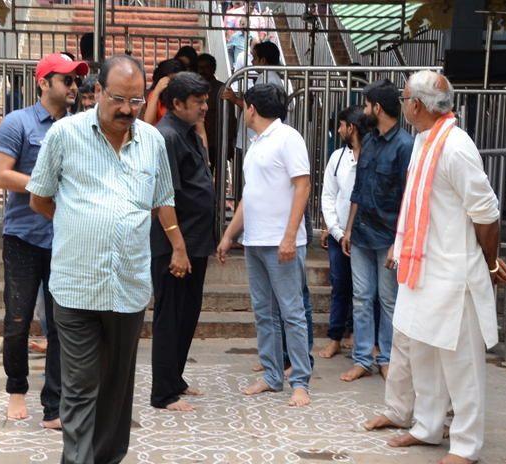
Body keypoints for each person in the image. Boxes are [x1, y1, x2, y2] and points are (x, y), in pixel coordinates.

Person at [27, 54, 188, 464]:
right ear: (97, 91)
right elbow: (40, 197)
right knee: (80, 388)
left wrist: (177, 244)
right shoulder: (64, 135)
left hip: (129, 286)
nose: (127, 110)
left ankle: (107, 458)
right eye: (118, 99)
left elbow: (163, 198)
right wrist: (79, 225)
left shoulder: (152, 140)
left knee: (117, 392)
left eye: (136, 101)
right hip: (77, 285)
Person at [366, 70, 506, 464]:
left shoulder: (456, 147)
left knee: (461, 362)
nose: (402, 102)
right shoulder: (422, 141)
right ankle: (427, 428)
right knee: (423, 354)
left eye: (405, 96)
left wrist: (488, 262)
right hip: (421, 270)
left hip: (453, 273)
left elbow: (486, 213)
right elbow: (417, 202)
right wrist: (400, 245)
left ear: (416, 105)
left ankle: (466, 445)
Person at [0, 52, 89, 429]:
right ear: (44, 82)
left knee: (62, 325)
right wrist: (43, 187)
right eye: (66, 80)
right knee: (17, 320)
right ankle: (17, 388)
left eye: (76, 81)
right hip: (24, 237)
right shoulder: (18, 122)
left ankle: (55, 405)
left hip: (65, 239)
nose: (73, 87)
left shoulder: (80, 127)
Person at [217, 83, 312, 408]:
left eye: (244, 106)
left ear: (252, 108)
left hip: (281, 242)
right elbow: (249, 196)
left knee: (292, 313)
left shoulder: (288, 138)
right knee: (264, 313)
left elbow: (303, 185)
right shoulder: (257, 144)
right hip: (255, 240)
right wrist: (230, 235)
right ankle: (272, 375)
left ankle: (300, 381)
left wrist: (289, 236)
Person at [340, 79, 413, 382]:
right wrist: (347, 229)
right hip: (362, 232)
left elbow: (409, 197)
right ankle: (362, 359)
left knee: (388, 299)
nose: (364, 110)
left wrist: (399, 241)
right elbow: (359, 188)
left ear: (378, 108)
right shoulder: (368, 141)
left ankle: (385, 357)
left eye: (367, 105)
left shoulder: (405, 145)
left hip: (387, 235)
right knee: (361, 296)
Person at [150, 72, 214, 412]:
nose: (205, 107)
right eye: (198, 102)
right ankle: (163, 393)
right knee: (170, 315)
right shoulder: (167, 137)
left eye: (205, 101)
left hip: (195, 242)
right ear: (176, 104)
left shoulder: (188, 133)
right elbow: (163, 197)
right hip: (176, 245)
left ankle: (175, 378)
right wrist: (177, 247)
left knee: (188, 314)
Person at [318, 105, 366, 359]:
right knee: (340, 286)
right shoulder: (337, 157)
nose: (338, 130)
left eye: (341, 125)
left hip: (365, 237)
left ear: (352, 128)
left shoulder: (372, 155)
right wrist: (336, 231)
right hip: (339, 237)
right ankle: (335, 337)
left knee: (366, 292)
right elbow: (329, 196)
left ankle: (360, 337)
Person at [222, 41, 283, 154]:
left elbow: (257, 107)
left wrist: (235, 99)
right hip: (257, 139)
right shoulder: (269, 77)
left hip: (256, 141)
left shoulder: (267, 78)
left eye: (254, 57)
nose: (252, 61)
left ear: (263, 60)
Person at [196, 53, 233, 169]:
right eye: (200, 67)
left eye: (205, 67)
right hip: (197, 140)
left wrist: (228, 141)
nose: (202, 71)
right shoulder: (193, 88)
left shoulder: (222, 89)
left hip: (217, 141)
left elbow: (230, 118)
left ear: (213, 69)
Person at [143, 58, 185, 126]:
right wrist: (157, 91)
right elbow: (148, 124)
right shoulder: (157, 95)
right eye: (171, 80)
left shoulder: (188, 95)